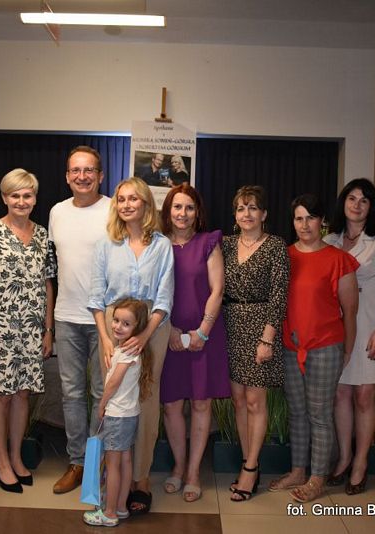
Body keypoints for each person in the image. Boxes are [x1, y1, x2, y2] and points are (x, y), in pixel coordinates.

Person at [0, 169, 56, 494]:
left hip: (31, 330)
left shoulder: (43, 235)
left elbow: (48, 285)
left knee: (22, 394)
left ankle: (17, 457)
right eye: (15, 195)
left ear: (35, 198)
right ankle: (1, 462)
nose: (21, 201)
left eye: (27, 195)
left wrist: (48, 330)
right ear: (4, 197)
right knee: (1, 396)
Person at [87, 176, 174, 514]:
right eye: (121, 199)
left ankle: (140, 479)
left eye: (133, 199)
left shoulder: (162, 245)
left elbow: (165, 297)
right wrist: (106, 339)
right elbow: (96, 297)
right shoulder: (105, 244)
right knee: (113, 399)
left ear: (146, 204)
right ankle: (113, 478)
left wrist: (145, 334)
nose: (126, 205)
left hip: (153, 325)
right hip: (114, 326)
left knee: (146, 401)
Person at [269, 193, 359, 503]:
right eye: (299, 218)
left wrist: (347, 351)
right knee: (297, 412)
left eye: (310, 217)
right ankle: (298, 471)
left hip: (325, 348)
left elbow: (350, 311)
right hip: (290, 348)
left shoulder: (338, 259)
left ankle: (318, 477)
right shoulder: (284, 256)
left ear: (322, 221)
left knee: (320, 414)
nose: (304, 224)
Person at [324, 178, 375, 495]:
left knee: (364, 396)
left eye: (364, 200)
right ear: (343, 202)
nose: (356, 205)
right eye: (351, 198)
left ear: (372, 207)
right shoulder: (329, 240)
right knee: (340, 394)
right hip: (336, 327)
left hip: (371, 325)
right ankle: (344, 457)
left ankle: (361, 462)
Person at [159, 184, 229, 503]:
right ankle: (178, 465)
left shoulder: (208, 242)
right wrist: (169, 330)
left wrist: (202, 331)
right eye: (177, 207)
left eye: (189, 207)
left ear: (197, 212)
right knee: (171, 405)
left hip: (206, 337)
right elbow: (150, 291)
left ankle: (193, 472)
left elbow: (217, 290)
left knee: (201, 403)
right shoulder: (158, 245)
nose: (183, 213)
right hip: (168, 335)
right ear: (168, 211)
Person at [48, 146, 110, 495]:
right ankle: (77, 463)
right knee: (71, 394)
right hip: (67, 317)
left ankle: (98, 464)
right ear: (67, 176)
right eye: (76, 170)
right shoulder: (57, 212)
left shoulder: (114, 209)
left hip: (106, 321)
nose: (82, 176)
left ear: (100, 175)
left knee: (102, 394)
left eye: (89, 170)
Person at [222, 185, 289, 502]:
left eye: (252, 207)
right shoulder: (225, 244)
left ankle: (250, 467)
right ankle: (248, 461)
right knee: (238, 400)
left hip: (261, 327)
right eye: (240, 208)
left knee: (254, 401)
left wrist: (267, 339)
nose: (246, 213)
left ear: (264, 214)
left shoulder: (275, 246)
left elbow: (279, 295)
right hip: (230, 325)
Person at [82, 299, 154, 527]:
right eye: (115, 320)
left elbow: (113, 383)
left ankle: (110, 512)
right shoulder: (133, 351)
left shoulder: (125, 353)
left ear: (137, 328)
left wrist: (102, 404)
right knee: (125, 460)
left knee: (113, 466)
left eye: (126, 323)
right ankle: (121, 507)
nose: (117, 326)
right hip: (129, 415)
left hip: (116, 415)